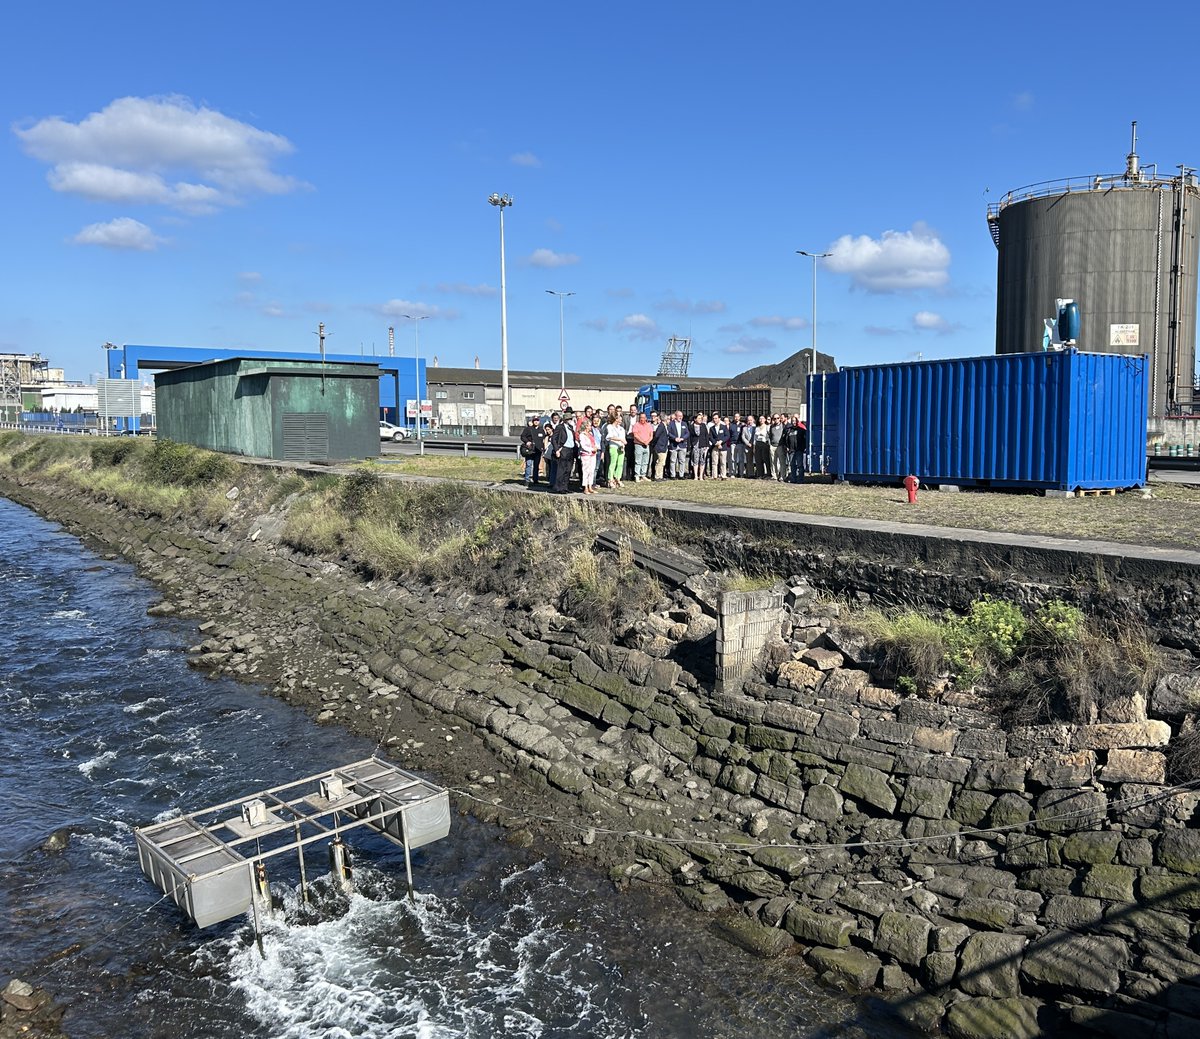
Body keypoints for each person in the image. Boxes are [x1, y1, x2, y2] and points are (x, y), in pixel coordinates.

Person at [551, 409, 576, 494]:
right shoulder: (560, 427)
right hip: (563, 449)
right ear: (565, 420)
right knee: (562, 469)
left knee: (568, 469)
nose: (571, 421)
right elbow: (553, 439)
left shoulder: (571, 428)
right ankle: (558, 487)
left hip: (570, 450)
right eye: (569, 419)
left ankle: (565, 487)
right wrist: (557, 449)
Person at [604, 409, 627, 489]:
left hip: (621, 447)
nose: (621, 419)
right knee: (613, 463)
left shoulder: (621, 429)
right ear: (615, 418)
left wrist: (623, 445)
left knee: (620, 464)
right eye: (619, 418)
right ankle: (610, 479)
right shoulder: (610, 427)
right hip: (613, 446)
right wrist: (619, 440)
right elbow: (609, 437)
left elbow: (623, 438)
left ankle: (618, 478)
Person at [578, 413, 599, 493]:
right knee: (585, 471)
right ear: (586, 426)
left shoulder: (590, 434)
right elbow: (583, 445)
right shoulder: (582, 435)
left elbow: (594, 443)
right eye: (589, 426)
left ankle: (590, 486)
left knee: (591, 470)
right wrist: (591, 449)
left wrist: (596, 447)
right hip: (586, 454)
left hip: (593, 455)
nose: (590, 427)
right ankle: (585, 487)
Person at [631, 411, 654, 481]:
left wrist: (647, 441)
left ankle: (643, 475)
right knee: (638, 461)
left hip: (647, 445)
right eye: (641, 417)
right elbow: (635, 435)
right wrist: (643, 441)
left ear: (646, 418)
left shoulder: (649, 425)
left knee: (645, 461)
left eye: (644, 417)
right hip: (638, 445)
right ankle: (637, 475)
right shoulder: (636, 425)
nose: (642, 419)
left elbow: (651, 435)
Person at [519, 415, 542, 485]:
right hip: (529, 450)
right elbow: (522, 436)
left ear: (539, 421)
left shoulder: (541, 430)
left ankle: (535, 479)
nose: (536, 422)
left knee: (536, 465)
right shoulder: (528, 429)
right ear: (532, 421)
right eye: (535, 420)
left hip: (538, 450)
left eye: (537, 420)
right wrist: (527, 442)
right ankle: (527, 480)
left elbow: (544, 439)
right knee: (528, 464)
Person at [667, 410, 689, 478]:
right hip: (674, 445)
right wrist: (675, 438)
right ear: (675, 416)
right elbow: (669, 433)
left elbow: (687, 433)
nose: (680, 417)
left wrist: (683, 438)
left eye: (681, 416)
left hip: (682, 444)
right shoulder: (671, 424)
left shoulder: (684, 424)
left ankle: (681, 475)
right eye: (679, 416)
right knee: (673, 461)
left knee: (682, 461)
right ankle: (673, 475)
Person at [689, 412, 710, 480]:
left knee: (702, 460)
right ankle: (695, 475)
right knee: (695, 460)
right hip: (695, 445)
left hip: (703, 445)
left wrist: (707, 445)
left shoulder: (703, 425)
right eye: (699, 418)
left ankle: (701, 475)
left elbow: (706, 435)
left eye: (701, 418)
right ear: (695, 419)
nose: (700, 419)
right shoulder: (691, 426)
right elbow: (690, 437)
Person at [649, 410, 669, 480]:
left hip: (664, 446)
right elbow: (657, 436)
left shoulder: (664, 426)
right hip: (660, 446)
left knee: (662, 462)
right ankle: (657, 476)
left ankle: (660, 476)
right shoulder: (661, 426)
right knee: (660, 462)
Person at [710, 411, 730, 480]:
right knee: (714, 462)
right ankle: (714, 476)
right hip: (715, 447)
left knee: (723, 462)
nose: (714, 420)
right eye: (713, 418)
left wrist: (721, 442)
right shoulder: (711, 428)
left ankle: (723, 475)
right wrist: (716, 443)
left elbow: (727, 436)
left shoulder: (724, 427)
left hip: (723, 446)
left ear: (719, 419)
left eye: (716, 418)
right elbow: (711, 437)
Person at [770, 414, 787, 481]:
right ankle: (774, 475)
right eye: (774, 418)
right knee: (773, 462)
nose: (776, 419)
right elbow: (770, 436)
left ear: (780, 419)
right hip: (773, 446)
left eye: (777, 418)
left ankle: (782, 476)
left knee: (782, 462)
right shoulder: (772, 426)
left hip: (780, 446)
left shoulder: (783, 426)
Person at [755, 414, 771, 478]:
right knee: (758, 459)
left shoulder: (767, 427)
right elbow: (755, 438)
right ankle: (760, 474)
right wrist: (754, 446)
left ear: (765, 419)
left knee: (766, 459)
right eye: (760, 419)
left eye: (762, 418)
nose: (761, 420)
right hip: (758, 444)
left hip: (764, 444)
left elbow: (769, 436)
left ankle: (768, 474)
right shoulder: (757, 428)